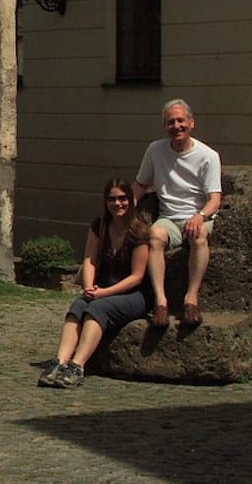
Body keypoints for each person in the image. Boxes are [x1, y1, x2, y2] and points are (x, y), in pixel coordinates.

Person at [38, 177, 150, 389]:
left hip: (133, 294)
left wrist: (105, 293)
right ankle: (59, 361)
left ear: (130, 200)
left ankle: (78, 365)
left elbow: (137, 276)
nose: (117, 204)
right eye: (112, 199)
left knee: (98, 308)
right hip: (104, 287)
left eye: (122, 198)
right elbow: (89, 259)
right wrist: (89, 287)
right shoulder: (100, 226)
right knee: (79, 305)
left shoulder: (139, 232)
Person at [132, 98, 222, 329]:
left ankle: (191, 299)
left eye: (181, 121)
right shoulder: (156, 150)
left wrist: (200, 215)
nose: (176, 126)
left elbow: (215, 199)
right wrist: (126, 207)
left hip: (197, 215)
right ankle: (161, 303)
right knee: (155, 236)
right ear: (165, 127)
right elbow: (141, 184)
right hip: (169, 217)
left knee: (198, 235)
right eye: (171, 122)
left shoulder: (208, 156)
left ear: (191, 123)